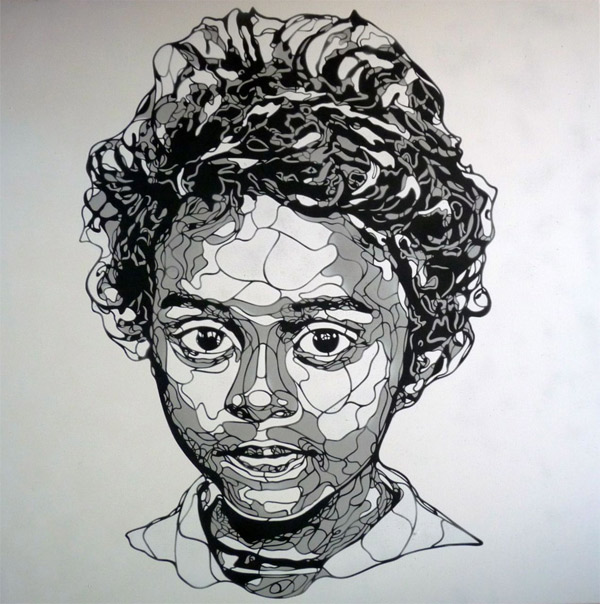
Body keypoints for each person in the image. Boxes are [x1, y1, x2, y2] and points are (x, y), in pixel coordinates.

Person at [82, 9, 495, 598]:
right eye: (205, 338)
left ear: (426, 350)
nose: (257, 396)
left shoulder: (476, 578)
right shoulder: (110, 570)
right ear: (144, 329)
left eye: (325, 341)